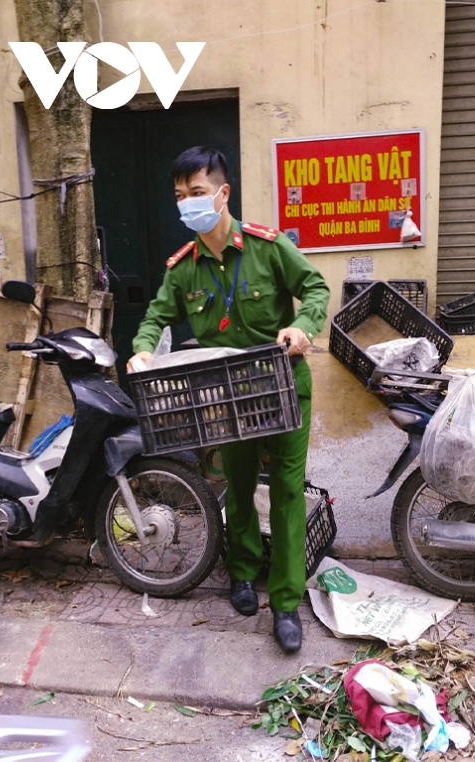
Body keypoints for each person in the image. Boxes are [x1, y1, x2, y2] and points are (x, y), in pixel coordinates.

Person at [128, 146, 330, 654]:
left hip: (283, 387)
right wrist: (142, 352)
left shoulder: (267, 246)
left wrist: (302, 326)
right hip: (229, 396)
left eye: (197, 194)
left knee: (286, 494)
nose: (188, 205)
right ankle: (241, 574)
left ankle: (285, 602)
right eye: (180, 197)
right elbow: (154, 318)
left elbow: (316, 287)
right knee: (237, 485)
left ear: (222, 194)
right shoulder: (184, 269)